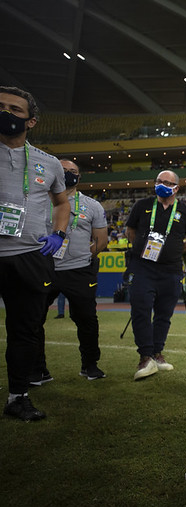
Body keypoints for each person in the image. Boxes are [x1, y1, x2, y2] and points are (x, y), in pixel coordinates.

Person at [0, 86, 69, 421]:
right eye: (1, 107)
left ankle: (18, 397)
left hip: (29, 255)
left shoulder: (48, 163)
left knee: (25, 329)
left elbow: (62, 202)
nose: (6, 113)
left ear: (31, 121)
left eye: (15, 109)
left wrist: (59, 234)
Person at [32, 159, 109, 384]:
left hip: (79, 271)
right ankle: (38, 370)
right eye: (64, 171)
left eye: (73, 172)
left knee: (87, 319)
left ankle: (90, 365)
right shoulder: (38, 201)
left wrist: (82, 257)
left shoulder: (93, 205)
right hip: (44, 269)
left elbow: (101, 241)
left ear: (80, 177)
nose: (68, 174)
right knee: (34, 319)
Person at [125, 170, 186, 380]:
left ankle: (157, 354)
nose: (161, 184)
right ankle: (145, 356)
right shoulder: (142, 206)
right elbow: (130, 231)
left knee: (164, 315)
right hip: (143, 267)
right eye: (159, 181)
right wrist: (140, 248)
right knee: (140, 310)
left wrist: (174, 252)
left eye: (167, 182)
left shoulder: (185, 211)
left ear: (176, 188)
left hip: (171, 270)